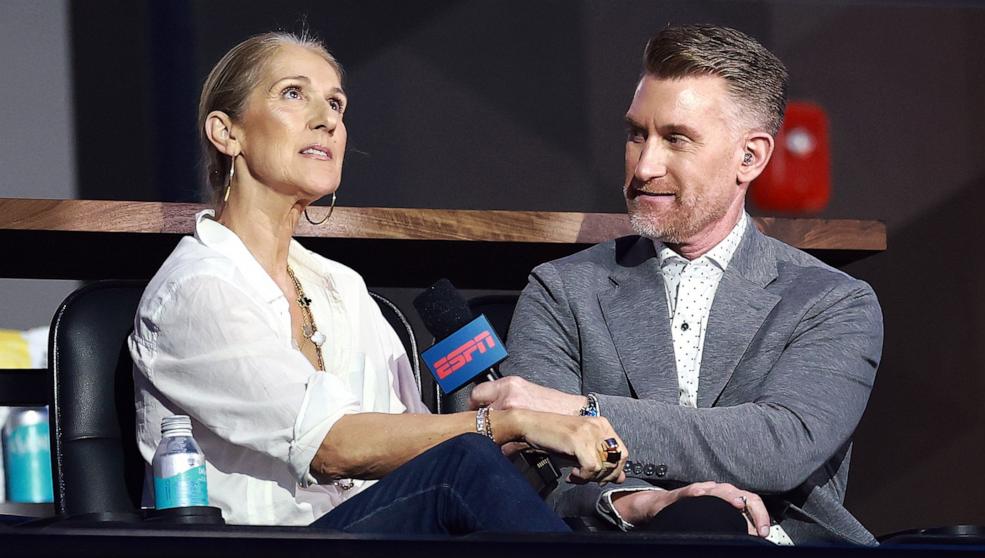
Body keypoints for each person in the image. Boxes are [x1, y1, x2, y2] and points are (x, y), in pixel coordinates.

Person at [128, 31, 632, 534]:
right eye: (293, 93)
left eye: (336, 104)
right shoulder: (198, 289)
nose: (326, 119)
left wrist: (526, 447)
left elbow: (414, 450)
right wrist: (512, 422)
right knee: (465, 466)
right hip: (261, 545)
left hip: (369, 536)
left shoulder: (342, 287)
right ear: (226, 132)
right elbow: (332, 447)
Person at [471, 24, 882, 546]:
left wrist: (581, 413)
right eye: (636, 134)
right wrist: (642, 503)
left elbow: (777, 445)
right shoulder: (562, 291)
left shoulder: (831, 301)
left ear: (750, 157)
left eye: (676, 139)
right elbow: (535, 466)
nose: (644, 165)